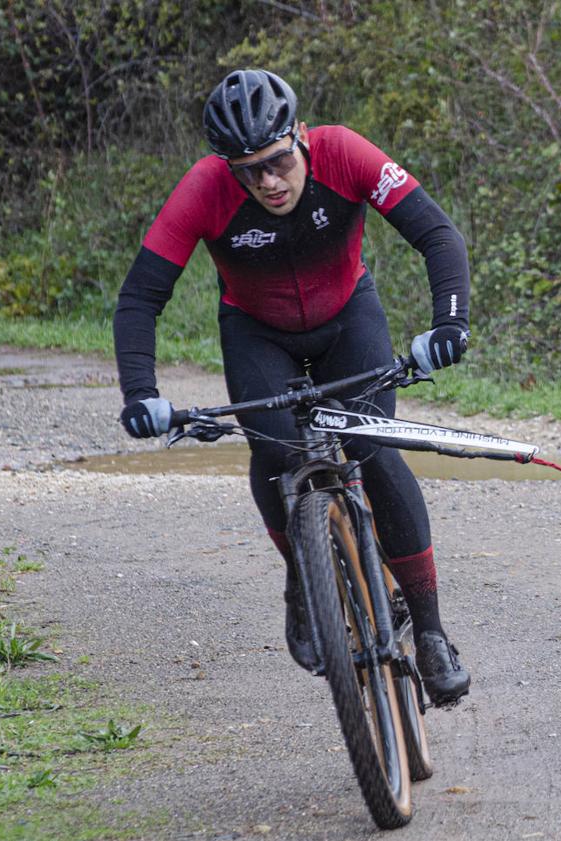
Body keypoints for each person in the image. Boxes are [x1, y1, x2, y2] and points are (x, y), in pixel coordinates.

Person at [112, 68, 471, 704]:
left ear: (301, 137)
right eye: (248, 171)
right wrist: (140, 392)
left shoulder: (344, 153)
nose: (268, 182)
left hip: (347, 316)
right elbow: (141, 297)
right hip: (257, 331)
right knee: (274, 453)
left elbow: (437, 234)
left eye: (278, 161)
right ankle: (304, 579)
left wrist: (448, 323)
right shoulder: (204, 189)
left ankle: (434, 635)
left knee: (372, 447)